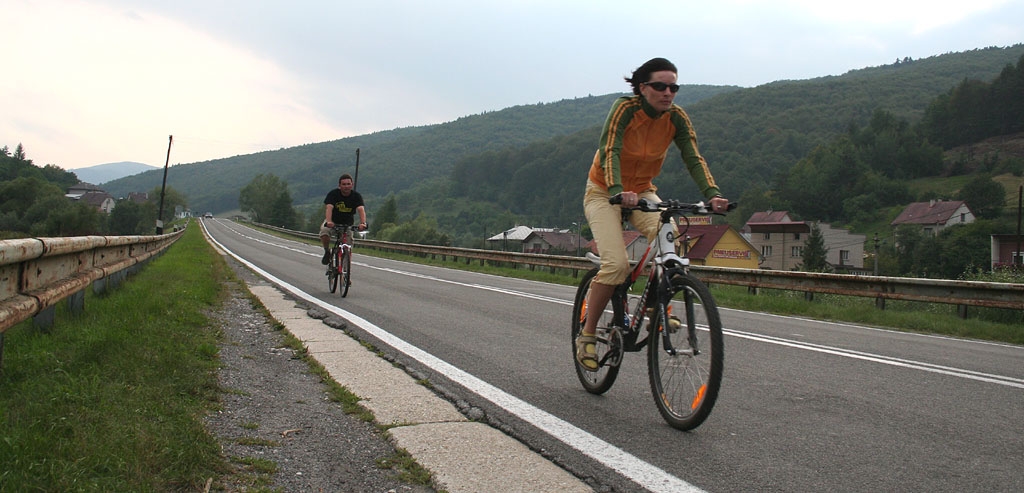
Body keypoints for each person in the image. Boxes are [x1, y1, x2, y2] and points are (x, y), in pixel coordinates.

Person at [577, 57, 730, 371]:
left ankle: (655, 306)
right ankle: (588, 336)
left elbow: (693, 156)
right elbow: (610, 148)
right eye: (660, 86)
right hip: (605, 190)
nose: (668, 92)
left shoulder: (676, 118)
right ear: (642, 87)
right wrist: (618, 188)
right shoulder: (626, 109)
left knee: (668, 234)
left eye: (674, 86)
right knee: (617, 265)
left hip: (643, 190)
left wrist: (712, 195)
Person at [319, 174, 367, 265]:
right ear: (339, 185)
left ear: (352, 185)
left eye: (348, 184)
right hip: (333, 222)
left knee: (347, 249)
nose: (346, 186)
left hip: (347, 224)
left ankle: (345, 275)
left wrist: (363, 223)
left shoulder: (356, 196)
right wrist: (329, 221)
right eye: (344, 184)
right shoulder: (333, 194)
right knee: (324, 232)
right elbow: (329, 208)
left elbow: (361, 209)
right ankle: (326, 251)